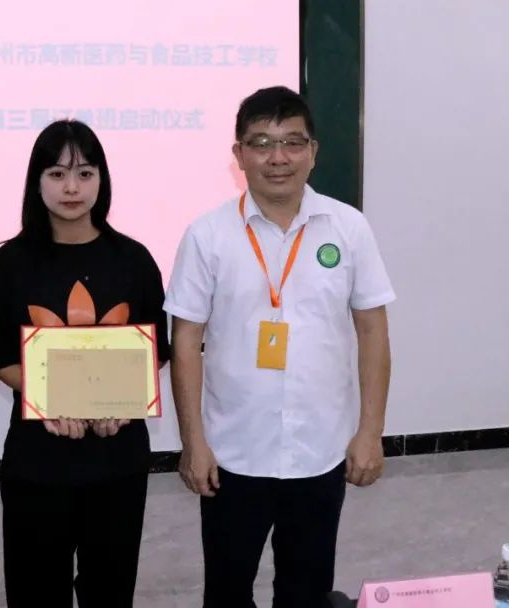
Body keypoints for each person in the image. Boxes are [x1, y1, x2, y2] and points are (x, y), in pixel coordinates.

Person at [164, 86, 395, 608]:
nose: (278, 157)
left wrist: (370, 432)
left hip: (320, 450)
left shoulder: (348, 228)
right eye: (261, 143)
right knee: (227, 593)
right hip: (233, 453)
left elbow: (373, 332)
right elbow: (186, 341)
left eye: (292, 142)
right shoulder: (207, 235)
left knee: (306, 592)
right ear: (238, 154)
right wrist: (193, 442)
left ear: (313, 151)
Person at [0, 120, 170, 608]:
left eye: (85, 173)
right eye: (57, 173)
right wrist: (51, 399)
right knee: (35, 593)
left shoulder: (133, 259)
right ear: (36, 181)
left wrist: (121, 404)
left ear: (102, 180)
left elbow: (154, 351)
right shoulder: (11, 262)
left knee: (110, 593)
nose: (71, 188)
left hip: (117, 458)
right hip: (37, 461)